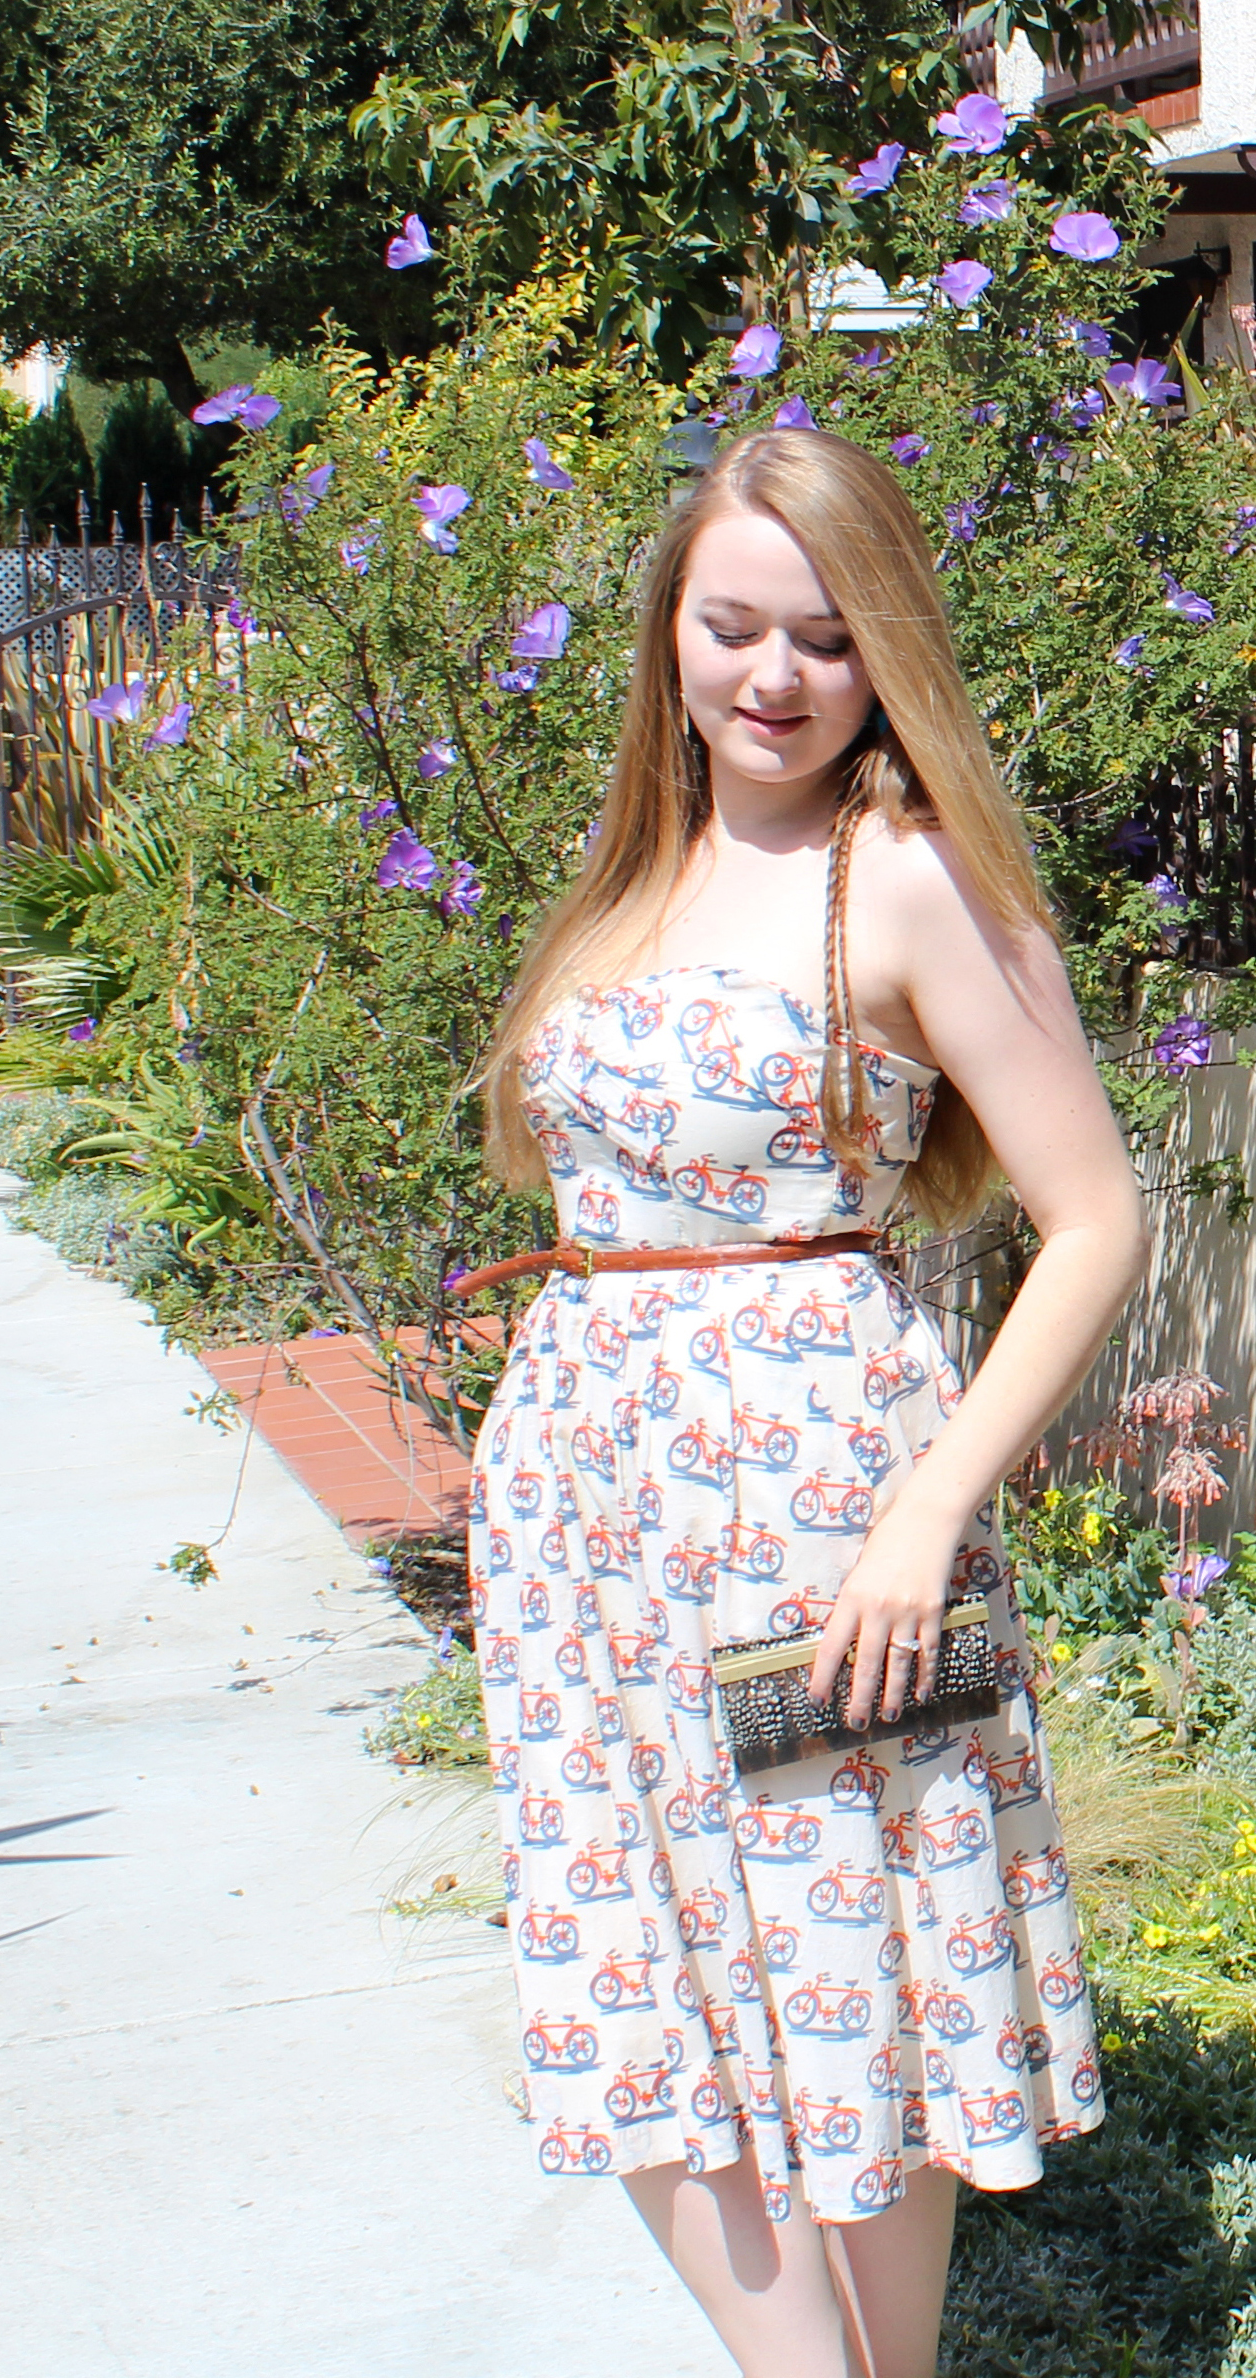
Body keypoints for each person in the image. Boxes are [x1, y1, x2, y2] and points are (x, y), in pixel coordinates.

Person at [456, 426, 1141, 2377]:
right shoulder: (629, 873)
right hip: (586, 1532)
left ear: (884, 655)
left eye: (827, 640)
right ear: (669, 624)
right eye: (732, 622)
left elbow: (1092, 1216)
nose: (771, 675)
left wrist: (924, 1511)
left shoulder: (906, 879)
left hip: (827, 1521)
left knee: (851, 1953)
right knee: (639, 1962)